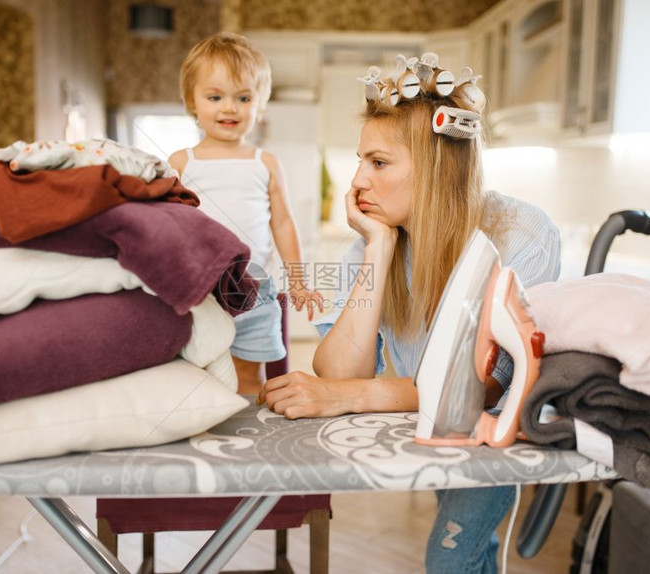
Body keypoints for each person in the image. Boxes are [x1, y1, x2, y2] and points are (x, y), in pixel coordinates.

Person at [259, 55, 561, 573]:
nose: (358, 181)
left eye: (378, 163)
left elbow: (483, 388)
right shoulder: (372, 240)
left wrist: (345, 397)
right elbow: (338, 370)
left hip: (493, 432)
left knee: (451, 559)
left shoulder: (522, 235)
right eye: (361, 160)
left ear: (440, 165)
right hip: (424, 422)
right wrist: (377, 247)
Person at [170, 32, 322, 395]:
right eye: (215, 96)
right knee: (198, 373)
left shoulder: (264, 163)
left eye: (243, 98)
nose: (229, 108)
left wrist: (298, 280)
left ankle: (247, 446)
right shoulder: (180, 163)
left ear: (260, 103)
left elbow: (283, 224)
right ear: (192, 101)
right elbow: (168, 228)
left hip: (254, 289)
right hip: (198, 291)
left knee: (250, 378)